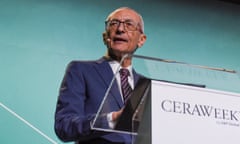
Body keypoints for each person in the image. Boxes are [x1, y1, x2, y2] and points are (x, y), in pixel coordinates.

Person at [54, 7, 147, 144]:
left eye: (129, 24)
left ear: (141, 40)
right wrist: (113, 119)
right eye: (114, 23)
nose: (121, 29)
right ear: (105, 37)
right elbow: (64, 126)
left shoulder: (146, 85)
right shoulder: (81, 70)